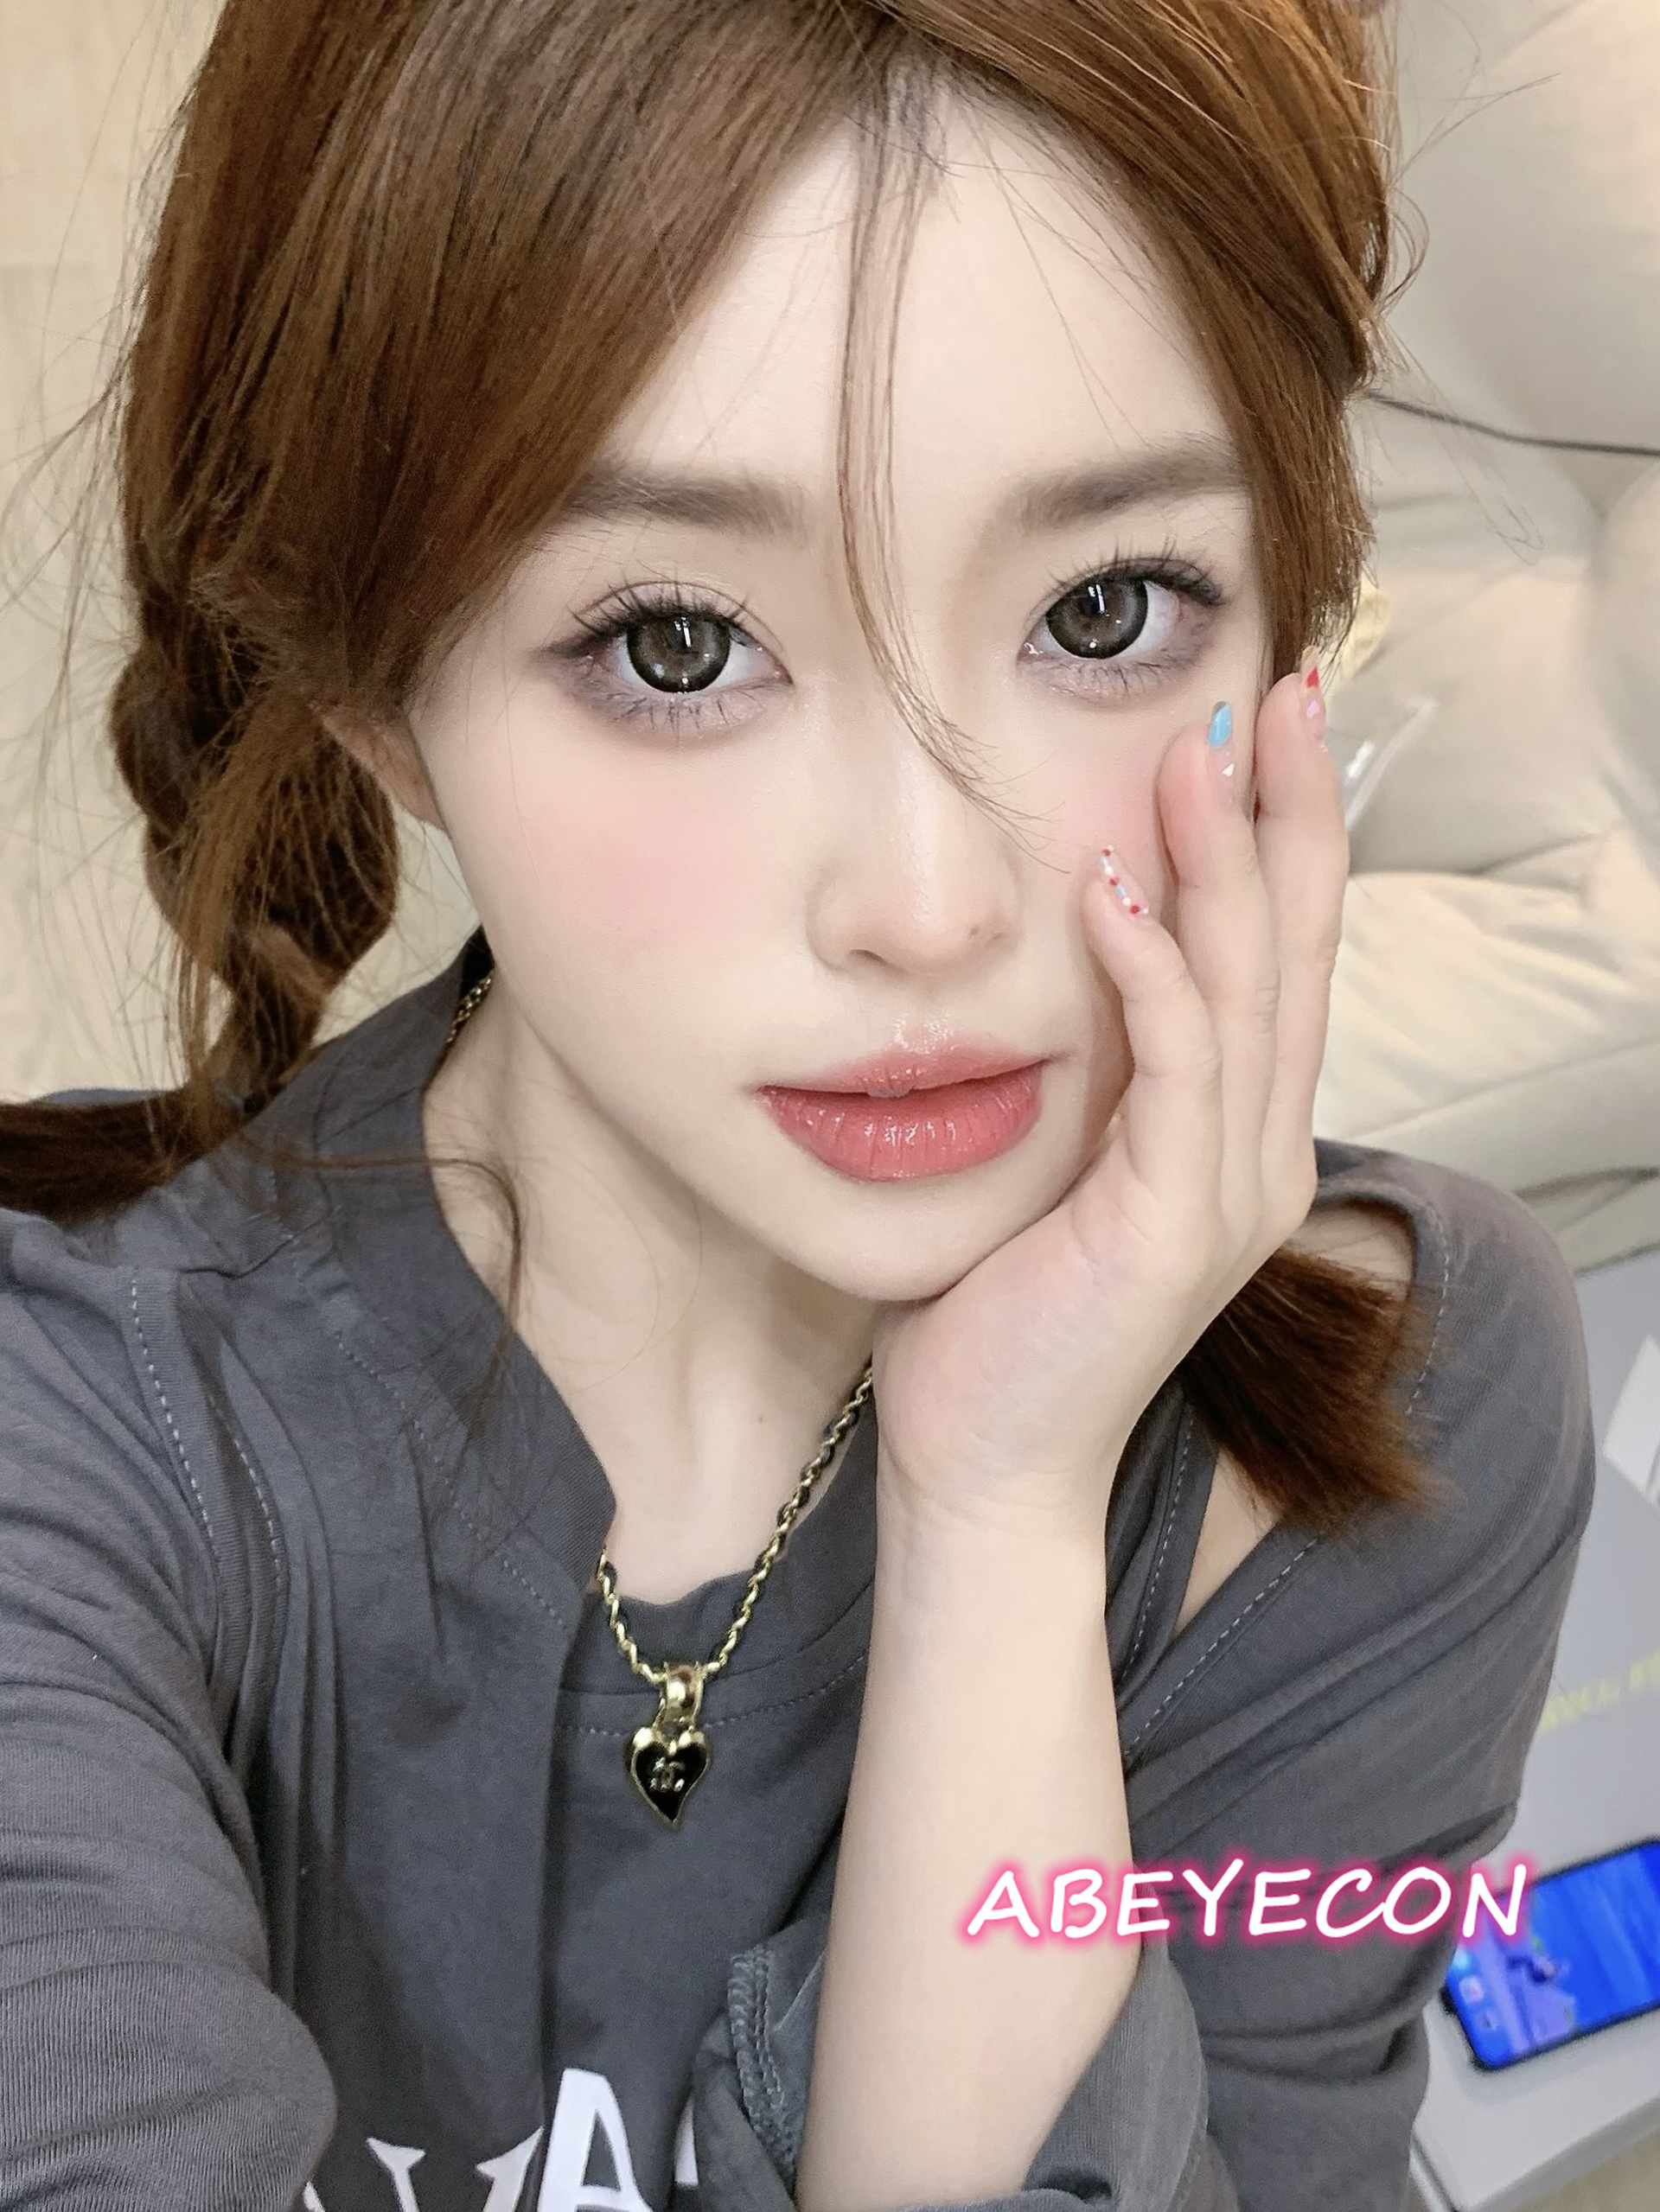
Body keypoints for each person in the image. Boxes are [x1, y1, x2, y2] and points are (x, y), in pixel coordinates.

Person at [0, 4, 1593, 2210]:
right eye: (675, 645)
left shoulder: (1391, 1398)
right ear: (376, 699)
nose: (929, 907)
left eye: (1106, 607)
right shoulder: (70, 1432)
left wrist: (1001, 1514)